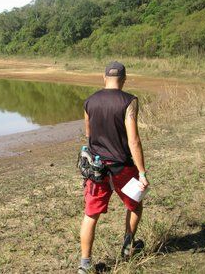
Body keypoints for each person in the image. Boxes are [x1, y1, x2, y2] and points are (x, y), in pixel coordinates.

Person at [78, 61, 150, 273]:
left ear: (104, 78)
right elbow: (134, 140)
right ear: (125, 79)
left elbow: (89, 135)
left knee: (91, 214)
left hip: (96, 168)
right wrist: (143, 172)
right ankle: (128, 247)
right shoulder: (129, 101)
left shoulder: (89, 102)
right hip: (123, 167)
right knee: (135, 204)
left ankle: (85, 265)